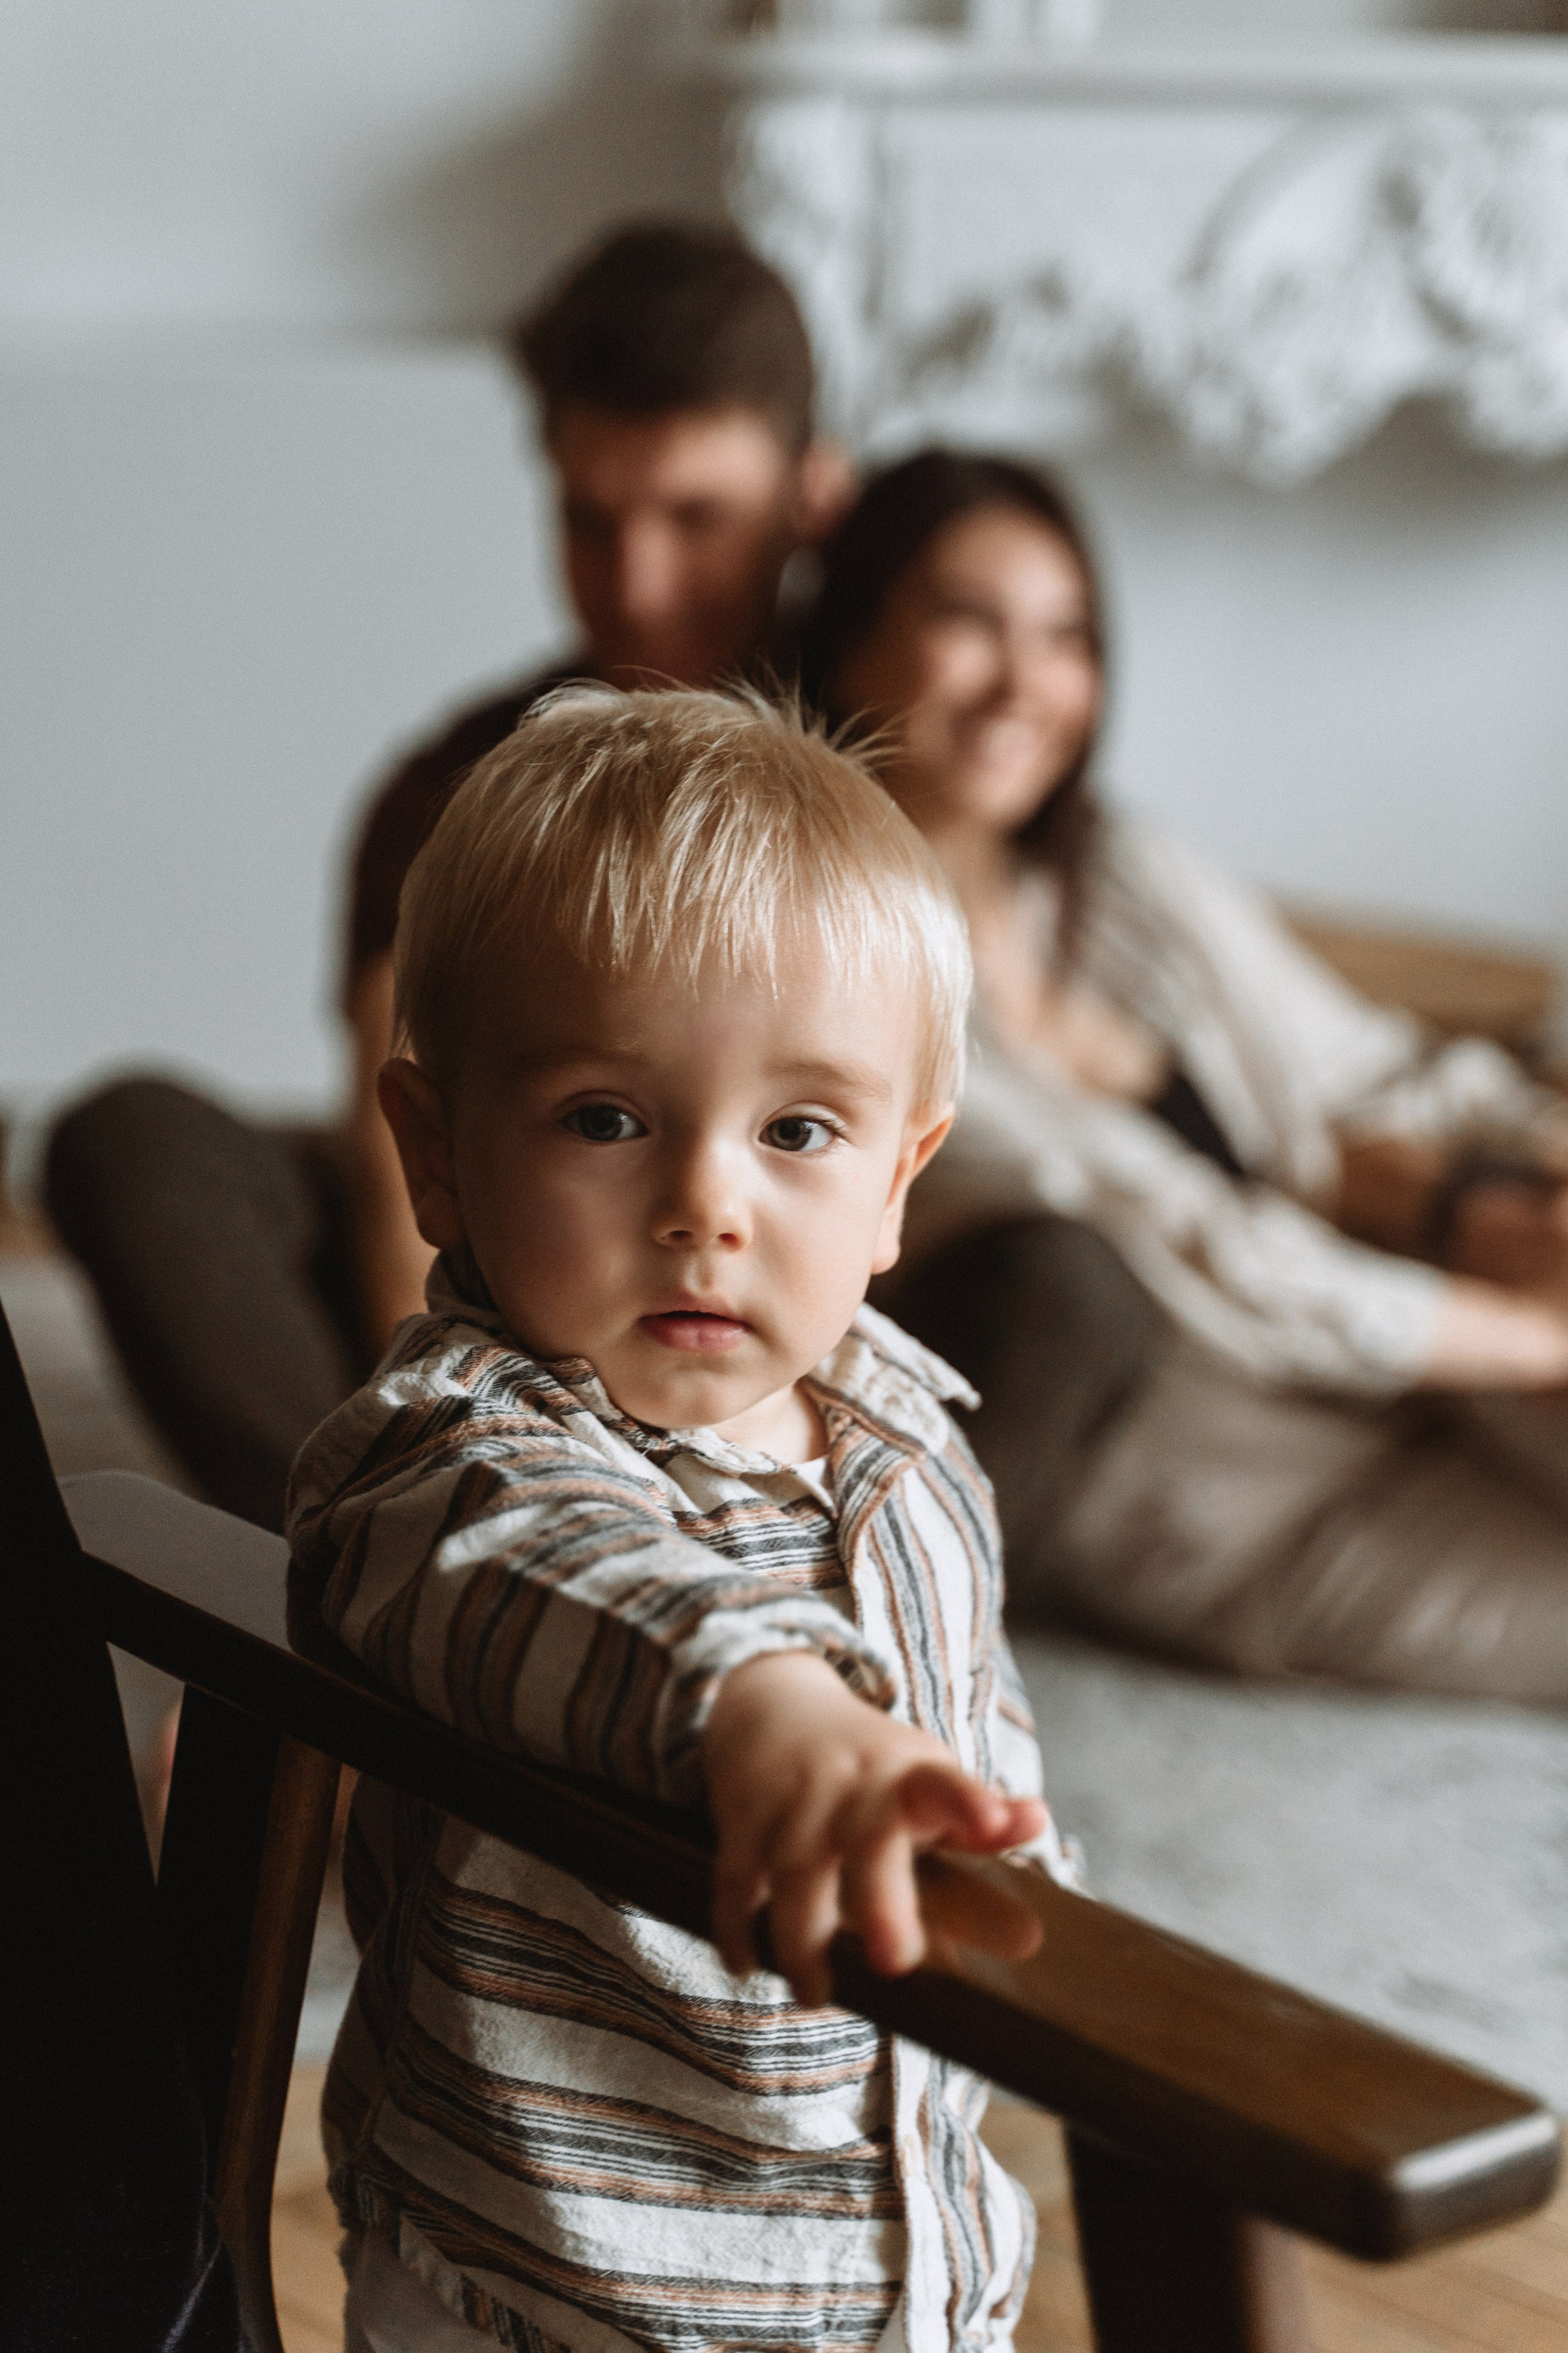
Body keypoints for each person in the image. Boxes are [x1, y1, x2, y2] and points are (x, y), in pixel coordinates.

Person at [287, 686, 1072, 2353]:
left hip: (898, 2269)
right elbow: (563, 1578)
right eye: (607, 1118)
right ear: (435, 1154)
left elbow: (977, 1741)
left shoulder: (914, 1441)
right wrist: (763, 1701)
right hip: (552, 2285)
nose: (707, 1201)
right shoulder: (449, 1452)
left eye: (800, 1130)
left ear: (899, 1184)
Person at [45, 220, 851, 1532]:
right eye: (592, 522)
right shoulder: (453, 782)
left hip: (800, 1278)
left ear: (814, 499)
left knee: (1059, 1285)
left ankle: (827, 1578)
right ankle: (356, 1571)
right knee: (133, 1144)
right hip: (499, 1266)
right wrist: (443, 1435)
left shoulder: (891, 750)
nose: (639, 584)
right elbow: (397, 1152)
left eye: (696, 519)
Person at [801, 446, 1568, 1705]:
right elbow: (1194, 1246)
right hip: (1235, 1503)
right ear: (852, 642)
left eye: (1064, 636)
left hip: (1402, 1386)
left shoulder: (1117, 876)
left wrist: (1528, 1161)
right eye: (966, 622)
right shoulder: (846, 967)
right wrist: (1531, 1333)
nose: (1023, 683)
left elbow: (1364, 1071)